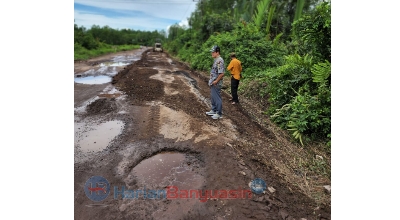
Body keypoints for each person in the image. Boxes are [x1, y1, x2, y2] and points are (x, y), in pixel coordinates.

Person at [205, 45, 225, 120]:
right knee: (213, 97)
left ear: (217, 52)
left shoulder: (220, 60)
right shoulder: (216, 60)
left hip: (216, 83)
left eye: (213, 52)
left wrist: (216, 81)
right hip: (213, 82)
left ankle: (219, 113)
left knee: (217, 98)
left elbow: (222, 73)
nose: (212, 53)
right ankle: (213, 110)